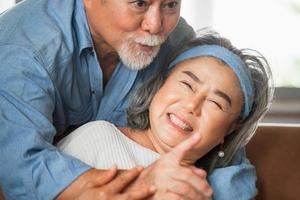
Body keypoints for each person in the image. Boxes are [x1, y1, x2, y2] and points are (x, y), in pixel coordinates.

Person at [0, 0, 258, 199]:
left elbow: (224, 138)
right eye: (139, 2)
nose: (156, 26)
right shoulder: (24, 49)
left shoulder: (175, 40)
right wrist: (141, 185)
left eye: (171, 4)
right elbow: (22, 167)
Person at [57, 31, 274, 199]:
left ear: (230, 129)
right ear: (161, 84)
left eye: (215, 103)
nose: (192, 105)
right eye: (187, 84)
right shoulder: (97, 138)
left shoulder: (211, 190)